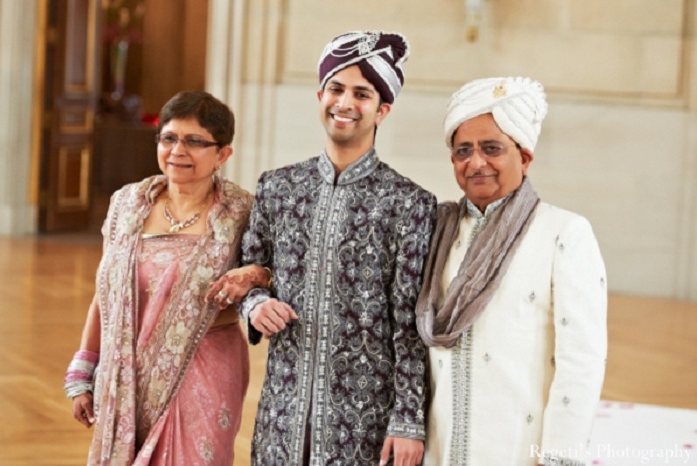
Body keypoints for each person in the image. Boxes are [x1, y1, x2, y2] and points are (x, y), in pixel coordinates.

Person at [239, 31, 437, 466]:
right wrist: (254, 305)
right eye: (336, 88)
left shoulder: (409, 204)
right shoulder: (278, 188)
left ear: (382, 110)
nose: (345, 103)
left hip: (365, 418)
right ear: (320, 95)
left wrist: (407, 421)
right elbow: (249, 270)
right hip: (283, 411)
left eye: (362, 94)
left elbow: (411, 324)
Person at [63, 91, 270, 465]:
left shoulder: (244, 212)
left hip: (204, 369)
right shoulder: (128, 204)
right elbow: (105, 293)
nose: (178, 150)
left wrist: (256, 274)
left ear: (223, 154)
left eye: (195, 141)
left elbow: (269, 277)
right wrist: (83, 369)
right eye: (169, 137)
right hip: (125, 372)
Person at [416, 77, 607, 466]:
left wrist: (558, 456)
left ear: (524, 157)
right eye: (462, 150)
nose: (476, 162)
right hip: (440, 446)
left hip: (518, 448)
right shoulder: (437, 232)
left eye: (492, 148)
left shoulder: (563, 233)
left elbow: (582, 358)